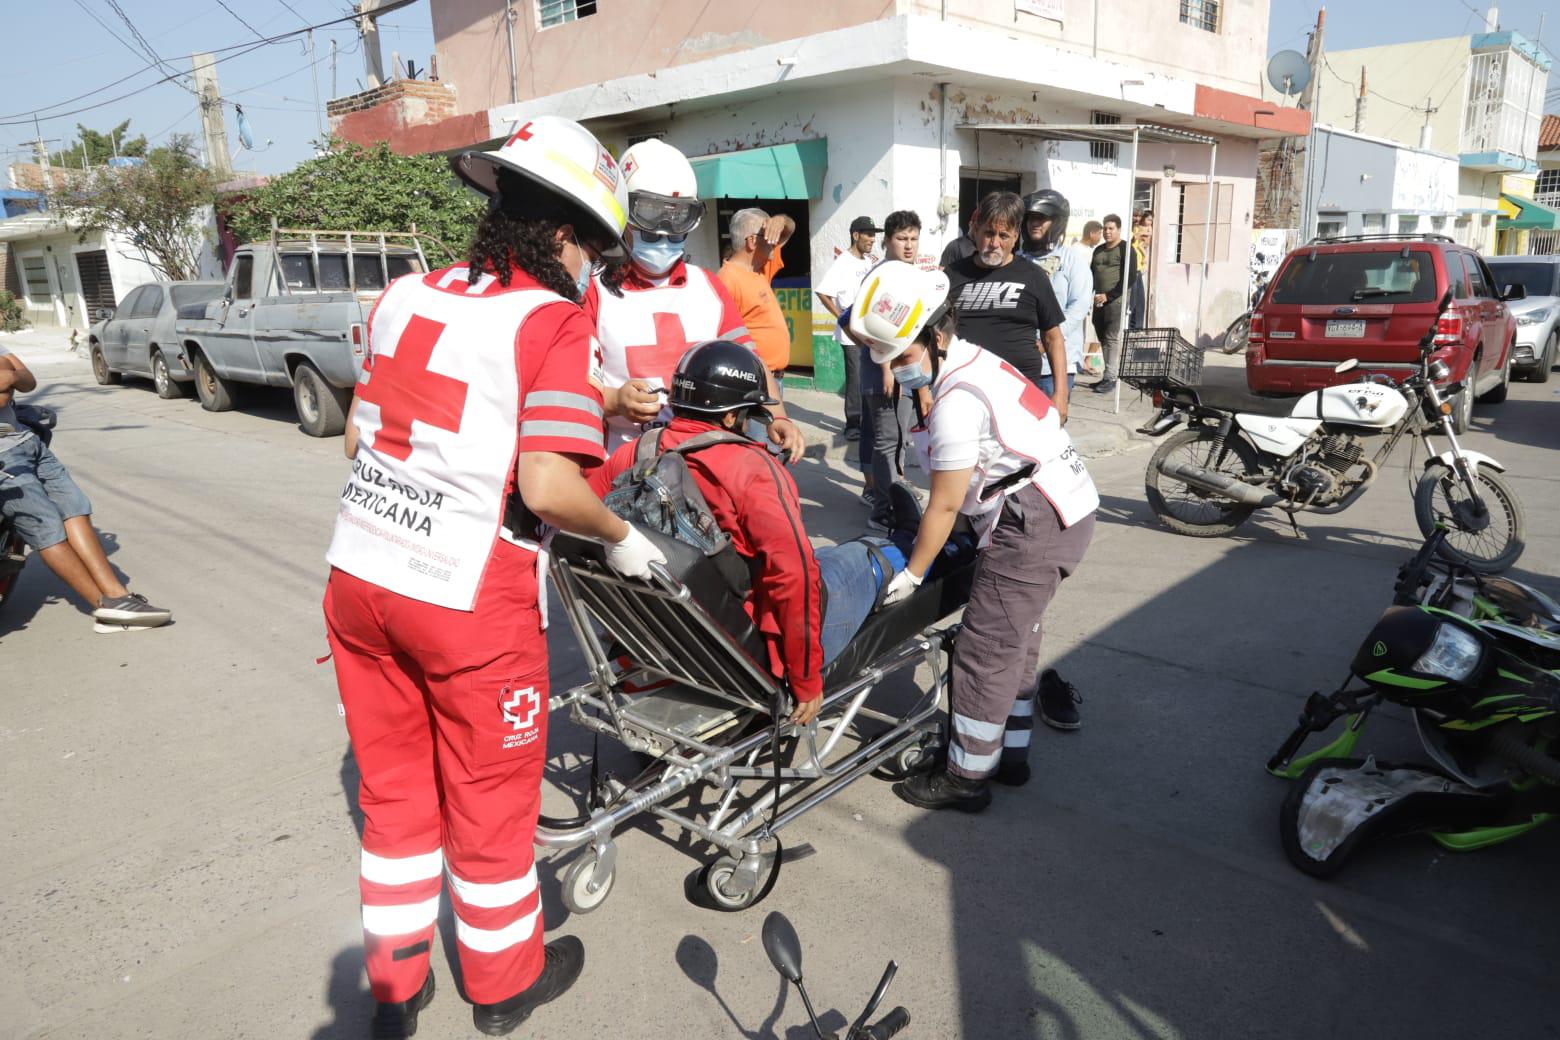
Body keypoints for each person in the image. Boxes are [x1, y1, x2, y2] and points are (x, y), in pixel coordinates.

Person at [321, 116, 668, 1039]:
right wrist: (622, 533)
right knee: (489, 800)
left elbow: (359, 435)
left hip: (359, 578)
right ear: (563, 234)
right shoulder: (551, 322)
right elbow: (548, 484)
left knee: (394, 795)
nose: (595, 264)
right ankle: (505, 982)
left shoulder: (403, 294)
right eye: (594, 246)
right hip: (468, 601)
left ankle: (396, 982)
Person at [847, 261, 1098, 812]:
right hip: (1064, 507)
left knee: (984, 649)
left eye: (905, 359)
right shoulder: (976, 362)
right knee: (1016, 640)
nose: (900, 372)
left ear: (937, 334)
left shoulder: (958, 399)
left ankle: (966, 776)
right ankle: (1009, 755)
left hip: (1034, 519)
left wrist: (912, 575)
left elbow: (942, 503)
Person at [587, 340, 914, 727]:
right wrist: (806, 681)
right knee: (863, 555)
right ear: (729, 418)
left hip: (667, 630)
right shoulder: (750, 467)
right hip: (746, 644)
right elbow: (793, 576)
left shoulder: (634, 453)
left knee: (824, 559)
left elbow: (590, 530)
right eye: (747, 414)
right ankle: (907, 543)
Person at [584, 138, 802, 459]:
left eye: (679, 215)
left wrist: (779, 416)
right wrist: (614, 400)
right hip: (620, 467)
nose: (665, 228)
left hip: (701, 463)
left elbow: (749, 359)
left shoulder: (707, 287)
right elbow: (566, 384)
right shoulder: (592, 289)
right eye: (652, 212)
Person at [0, 346, 171, 630]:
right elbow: (5, 392)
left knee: (75, 508)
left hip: (28, 442)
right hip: (5, 460)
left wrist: (10, 373)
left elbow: (28, 382)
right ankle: (106, 609)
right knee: (47, 529)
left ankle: (118, 595)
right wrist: (9, 375)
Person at [942, 191, 1070, 422]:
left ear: (1015, 237)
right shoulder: (953, 275)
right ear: (976, 231)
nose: (995, 243)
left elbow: (1053, 338)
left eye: (1004, 235)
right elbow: (936, 335)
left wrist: (1061, 394)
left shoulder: (1034, 276)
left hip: (1022, 394)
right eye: (988, 233)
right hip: (966, 395)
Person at [1018, 190, 1093, 399]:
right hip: (1021, 362)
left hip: (1056, 367)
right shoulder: (1017, 260)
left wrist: (1049, 340)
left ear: (1057, 222)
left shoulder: (1072, 262)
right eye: (1031, 218)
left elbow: (1078, 308)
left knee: (1049, 427)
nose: (1035, 223)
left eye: (1042, 218)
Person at [815, 216, 881, 444]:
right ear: (855, 235)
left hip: (869, 329)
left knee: (870, 376)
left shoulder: (868, 261)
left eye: (874, 235)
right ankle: (853, 425)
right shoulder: (843, 262)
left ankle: (868, 421)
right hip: (851, 332)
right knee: (855, 379)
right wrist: (842, 317)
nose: (872, 239)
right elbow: (823, 292)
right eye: (868, 234)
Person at [719, 209, 795, 382]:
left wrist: (780, 219)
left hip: (772, 379)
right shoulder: (727, 279)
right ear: (752, 241)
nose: (775, 242)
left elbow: (790, 228)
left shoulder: (761, 269)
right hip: (754, 380)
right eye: (769, 236)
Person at [1090, 213, 1138, 394]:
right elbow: (1091, 273)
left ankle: (1111, 377)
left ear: (1119, 230)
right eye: (1105, 228)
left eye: (1111, 228)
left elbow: (1130, 277)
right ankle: (1107, 374)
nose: (1107, 232)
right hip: (1098, 299)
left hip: (1116, 299)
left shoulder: (1126, 249)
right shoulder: (1099, 250)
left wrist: (1109, 296)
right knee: (1102, 336)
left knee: (1111, 337)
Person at [1129, 211, 1152, 330]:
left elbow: (1145, 243)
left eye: (1139, 216)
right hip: (1131, 268)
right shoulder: (1128, 229)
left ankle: (1136, 328)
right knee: (1131, 301)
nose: (1137, 218)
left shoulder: (1140, 228)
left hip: (1138, 267)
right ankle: (1130, 327)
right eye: (1135, 215)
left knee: (1139, 300)